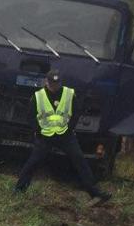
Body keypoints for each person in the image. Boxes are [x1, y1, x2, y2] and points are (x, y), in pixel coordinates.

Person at [14, 69, 112, 202]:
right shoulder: (38, 96)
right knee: (33, 162)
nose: (55, 86)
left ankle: (94, 191)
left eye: (57, 83)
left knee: (79, 160)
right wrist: (39, 131)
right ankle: (19, 189)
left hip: (65, 135)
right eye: (52, 83)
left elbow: (76, 113)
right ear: (46, 82)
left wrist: (69, 128)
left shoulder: (69, 94)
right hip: (45, 136)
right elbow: (30, 117)